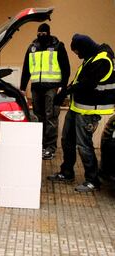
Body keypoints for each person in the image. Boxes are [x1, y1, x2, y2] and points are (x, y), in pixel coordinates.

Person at [48, 34, 115, 192]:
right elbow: (79, 80)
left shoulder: (102, 60)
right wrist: (66, 91)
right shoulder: (91, 57)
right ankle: (67, 172)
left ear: (85, 48)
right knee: (67, 140)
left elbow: (87, 84)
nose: (78, 55)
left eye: (78, 52)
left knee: (84, 146)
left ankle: (92, 181)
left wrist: (67, 90)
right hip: (77, 107)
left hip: (89, 110)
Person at [20, 23, 70, 160]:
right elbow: (26, 69)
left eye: (43, 33)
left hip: (52, 87)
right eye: (39, 33)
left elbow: (66, 68)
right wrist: (22, 88)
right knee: (38, 117)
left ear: (48, 33)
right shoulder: (32, 48)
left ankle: (50, 148)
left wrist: (63, 85)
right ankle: (39, 145)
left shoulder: (58, 46)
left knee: (51, 117)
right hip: (36, 88)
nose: (41, 35)